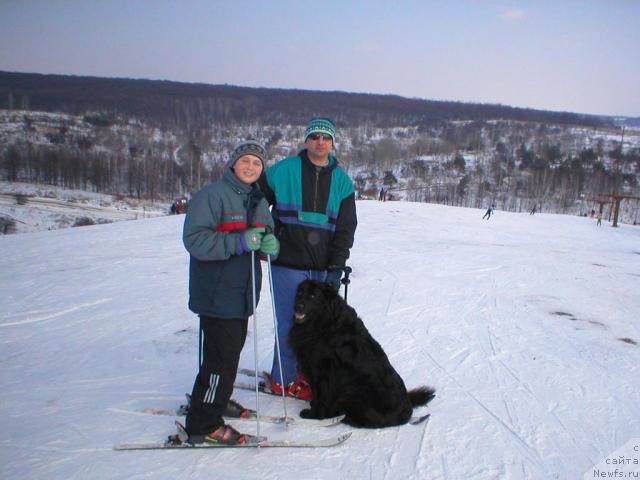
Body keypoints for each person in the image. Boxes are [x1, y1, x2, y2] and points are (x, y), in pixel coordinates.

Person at [181, 140, 279, 445]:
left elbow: (266, 235)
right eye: (245, 160)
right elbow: (195, 241)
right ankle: (202, 422)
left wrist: (269, 247)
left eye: (257, 163)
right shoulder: (212, 196)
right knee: (219, 360)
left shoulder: (259, 200)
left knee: (229, 354)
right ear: (233, 163)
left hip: (243, 293)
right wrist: (239, 242)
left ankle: (218, 399)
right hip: (216, 293)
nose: (251, 167)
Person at [258, 118, 358, 400]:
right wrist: (265, 233)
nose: (320, 142)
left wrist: (337, 265)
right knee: (291, 322)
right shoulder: (283, 170)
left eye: (325, 137)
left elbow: (345, 228)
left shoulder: (342, 181)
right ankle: (283, 380)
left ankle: (304, 372)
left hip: (323, 267)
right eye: (314, 136)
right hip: (288, 263)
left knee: (318, 326)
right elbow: (256, 203)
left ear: (332, 142)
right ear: (306, 140)